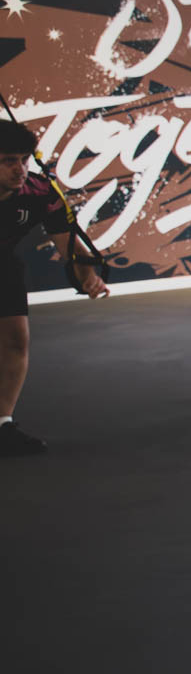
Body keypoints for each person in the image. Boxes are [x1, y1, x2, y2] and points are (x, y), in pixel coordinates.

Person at [0, 120, 109, 457]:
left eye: (24, 159)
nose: (20, 170)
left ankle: (2, 424)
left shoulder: (40, 191)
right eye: (8, 161)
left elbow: (70, 247)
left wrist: (86, 273)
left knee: (16, 340)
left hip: (2, 263)